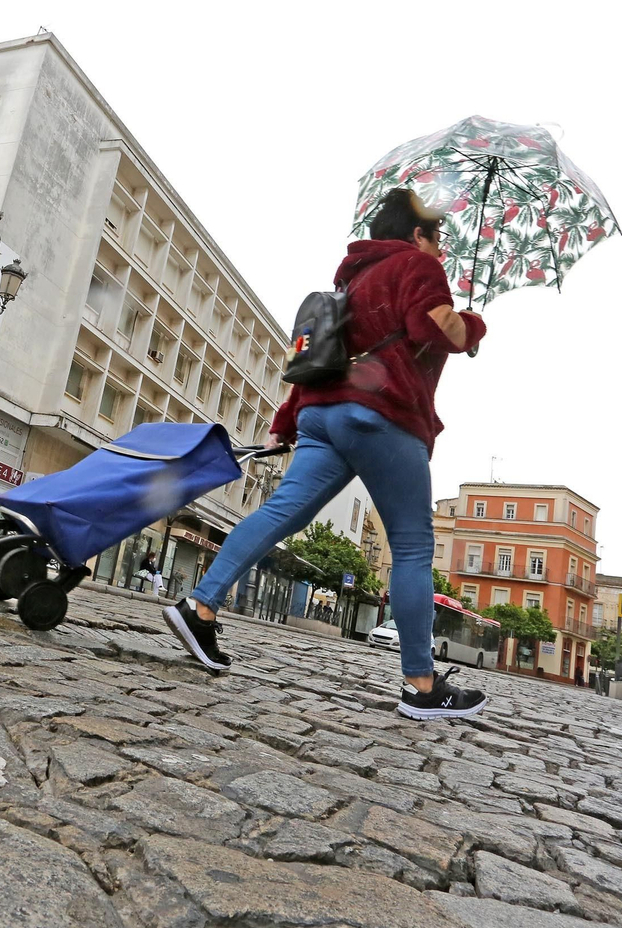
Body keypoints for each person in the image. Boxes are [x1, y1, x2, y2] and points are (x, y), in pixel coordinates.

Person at [163, 188, 490, 720]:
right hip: (382, 416)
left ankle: (200, 605)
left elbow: (322, 352)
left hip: (321, 413)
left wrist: (285, 422)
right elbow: (433, 327)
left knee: (279, 512)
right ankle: (420, 684)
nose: (443, 250)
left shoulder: (350, 277)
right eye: (439, 238)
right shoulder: (418, 267)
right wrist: (473, 325)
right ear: (416, 235)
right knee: (411, 547)